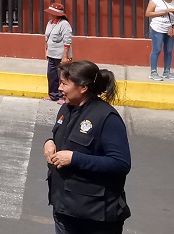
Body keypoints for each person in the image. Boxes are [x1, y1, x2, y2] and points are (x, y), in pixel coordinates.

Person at [45, 60, 130, 234]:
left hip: (95, 217)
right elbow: (63, 139)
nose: (59, 88)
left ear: (83, 88)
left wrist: (74, 159)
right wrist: (49, 142)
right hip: (64, 210)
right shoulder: (66, 109)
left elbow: (120, 163)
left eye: (64, 83)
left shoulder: (107, 117)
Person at [145, 0, 174, 81]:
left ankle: (167, 71)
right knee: (157, 49)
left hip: (170, 28)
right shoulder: (155, 0)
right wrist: (164, 12)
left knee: (169, 50)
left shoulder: (173, 0)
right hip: (158, 27)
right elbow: (148, 14)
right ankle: (153, 72)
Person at [44, 3, 74, 102]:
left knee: (62, 76)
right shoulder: (50, 23)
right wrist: (46, 51)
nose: (50, 15)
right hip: (51, 54)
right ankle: (53, 94)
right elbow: (47, 38)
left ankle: (62, 96)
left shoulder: (64, 24)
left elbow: (67, 40)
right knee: (51, 75)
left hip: (60, 55)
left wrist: (65, 56)